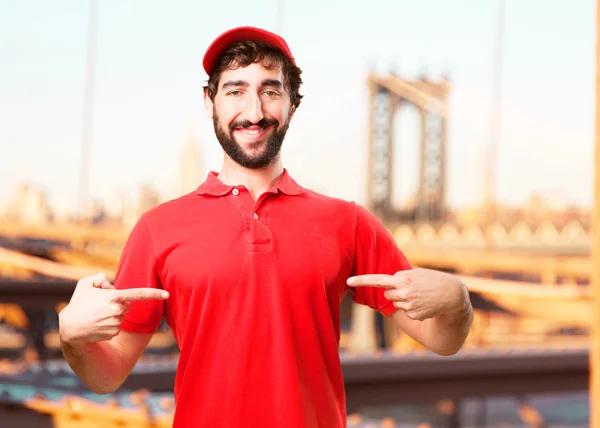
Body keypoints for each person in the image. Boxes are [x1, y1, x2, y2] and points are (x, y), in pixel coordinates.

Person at [58, 26, 473, 428]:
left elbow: (442, 340)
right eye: (235, 90)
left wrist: (457, 300)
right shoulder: (156, 229)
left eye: (270, 91)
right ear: (209, 102)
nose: (253, 112)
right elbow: (105, 375)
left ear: (292, 103)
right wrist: (72, 336)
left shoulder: (348, 223)